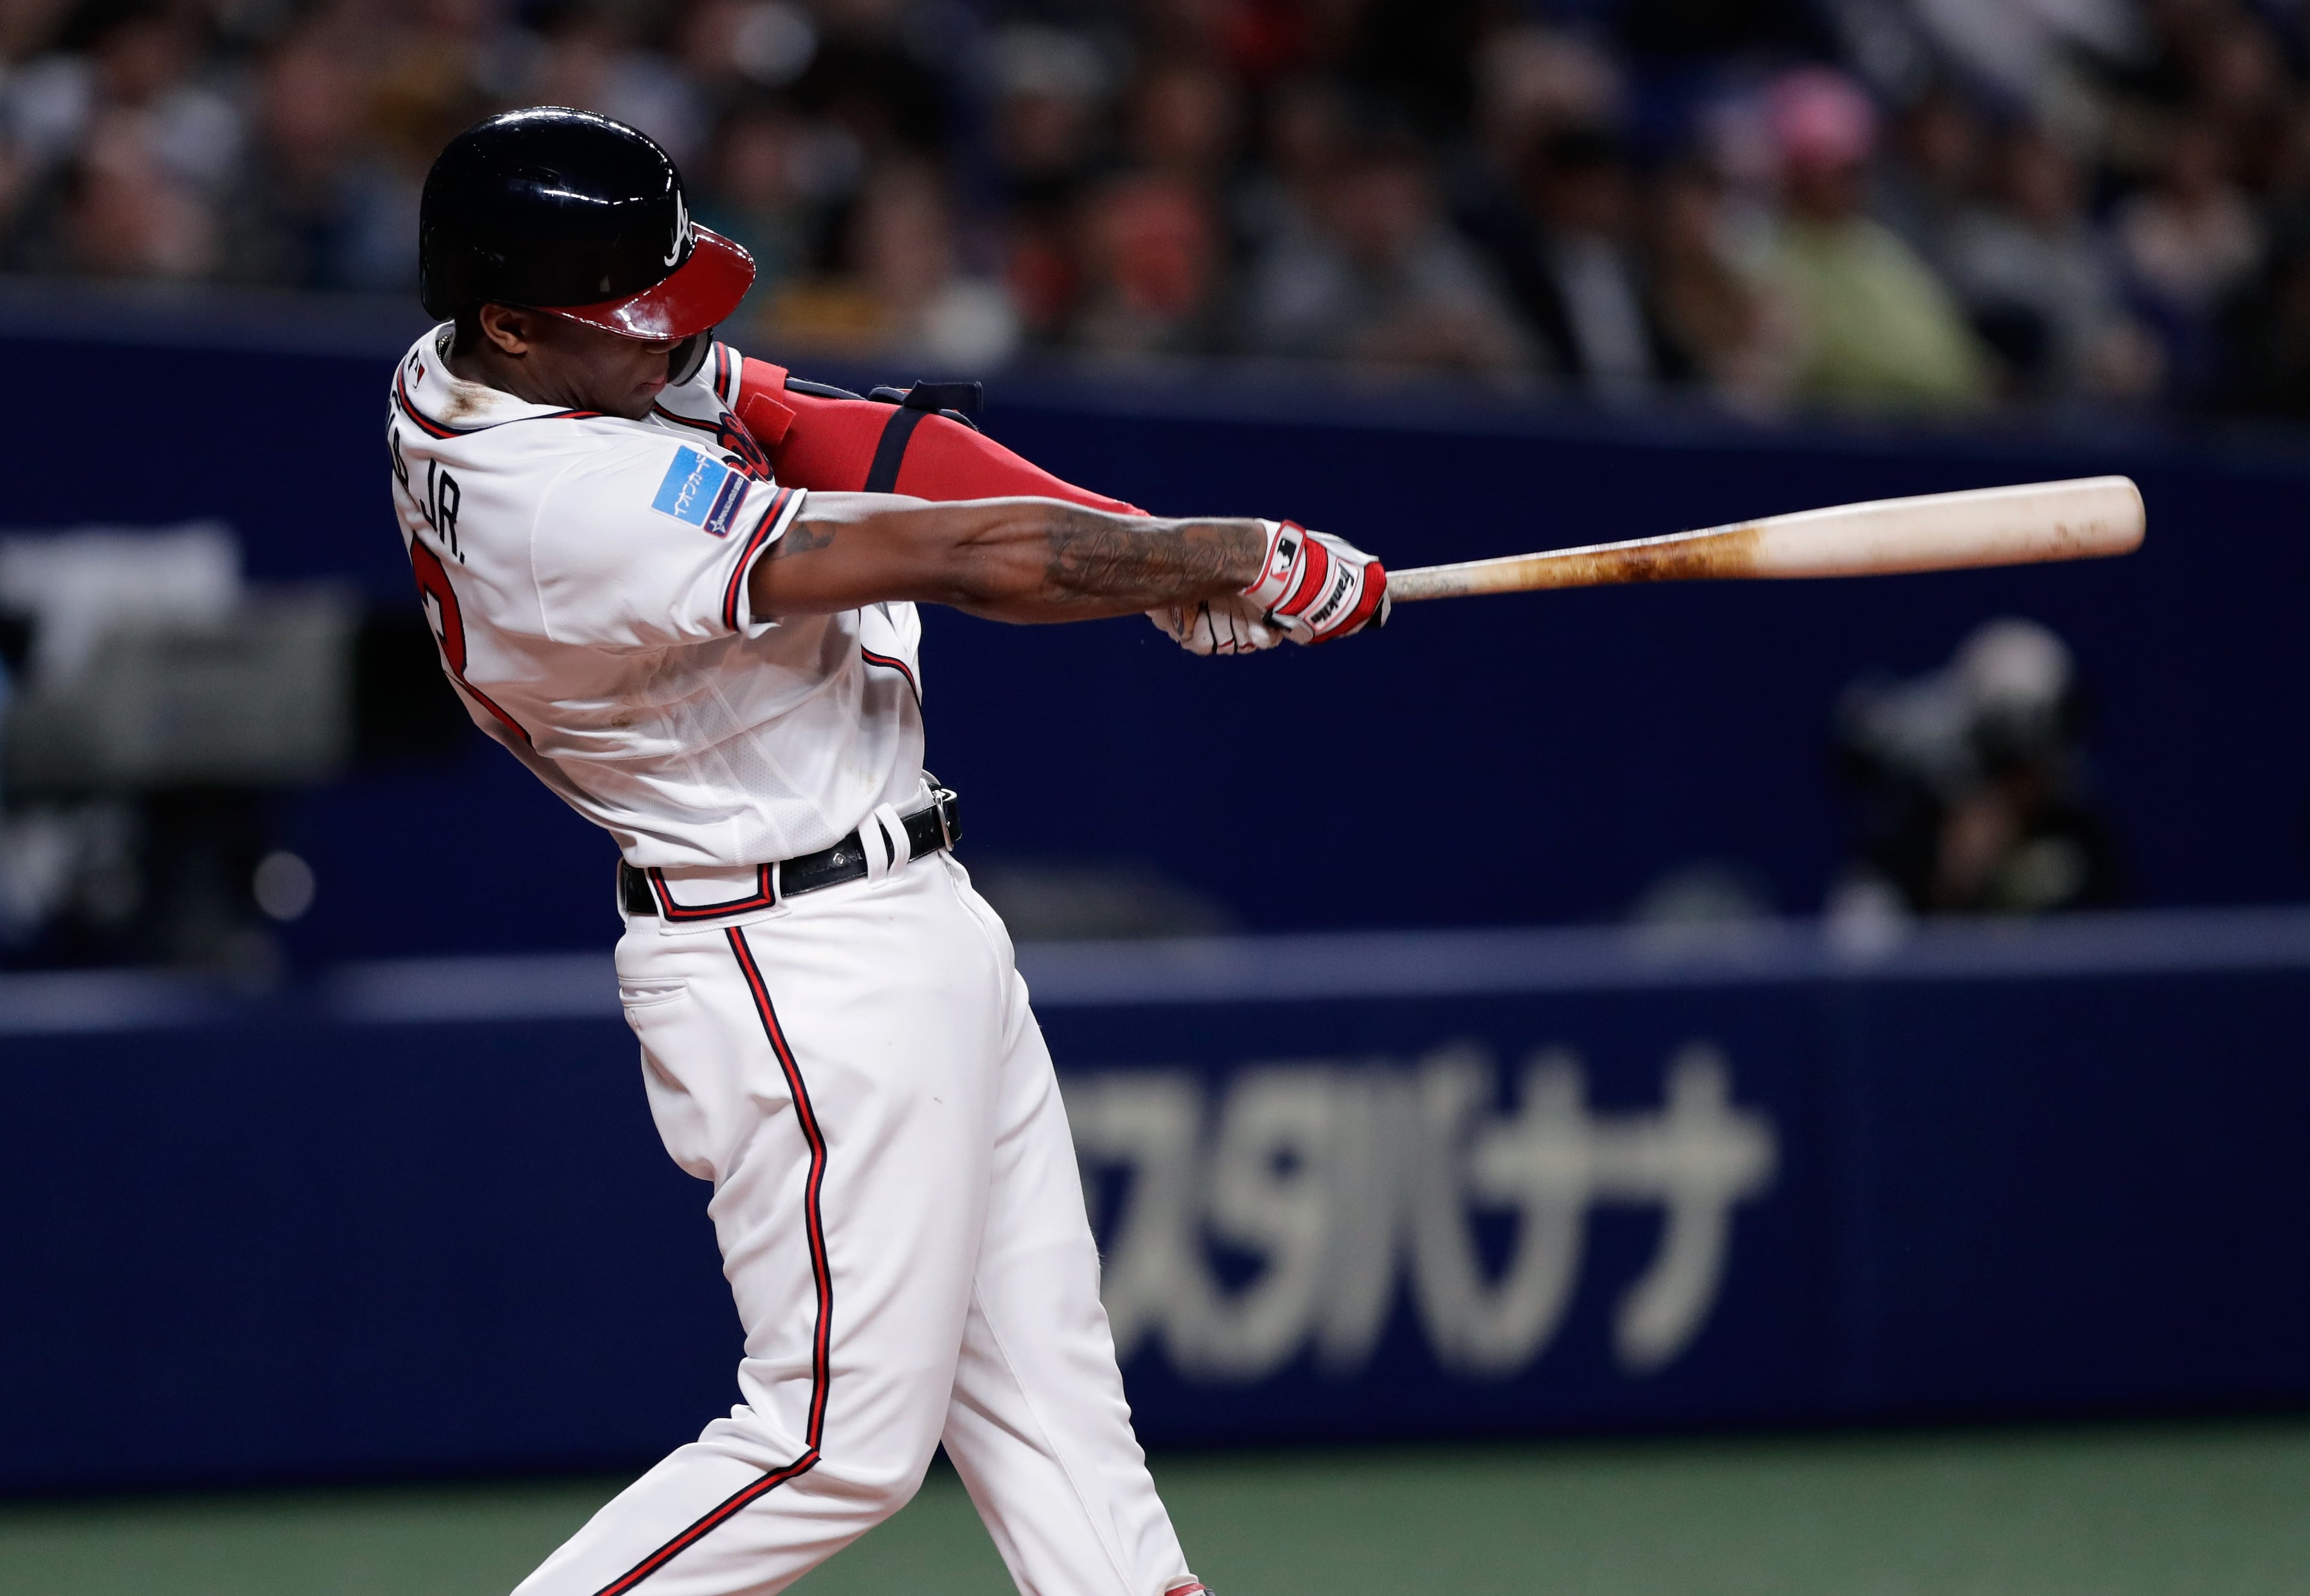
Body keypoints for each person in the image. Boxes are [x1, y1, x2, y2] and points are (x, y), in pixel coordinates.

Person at [392, 106, 1386, 1596]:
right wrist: (1215, 556)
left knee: (1060, 1423)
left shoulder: (472, 370)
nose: (672, 348)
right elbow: (959, 552)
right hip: (796, 957)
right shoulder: (565, 507)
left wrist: (1135, 541)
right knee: (832, 1443)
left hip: (900, 916)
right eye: (634, 319)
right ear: (514, 325)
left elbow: (835, 427)